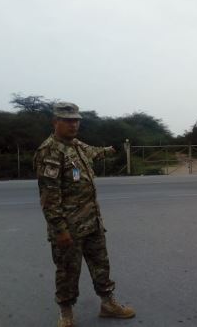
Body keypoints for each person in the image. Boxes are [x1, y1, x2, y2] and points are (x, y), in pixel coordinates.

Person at [34, 102, 135, 327]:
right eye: (68, 120)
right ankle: (66, 312)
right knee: (68, 271)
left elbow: (94, 152)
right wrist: (59, 230)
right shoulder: (50, 151)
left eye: (76, 120)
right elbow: (49, 197)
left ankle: (108, 303)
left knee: (101, 264)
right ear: (55, 122)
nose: (73, 124)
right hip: (68, 228)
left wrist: (112, 149)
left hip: (92, 221)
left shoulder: (76, 145)